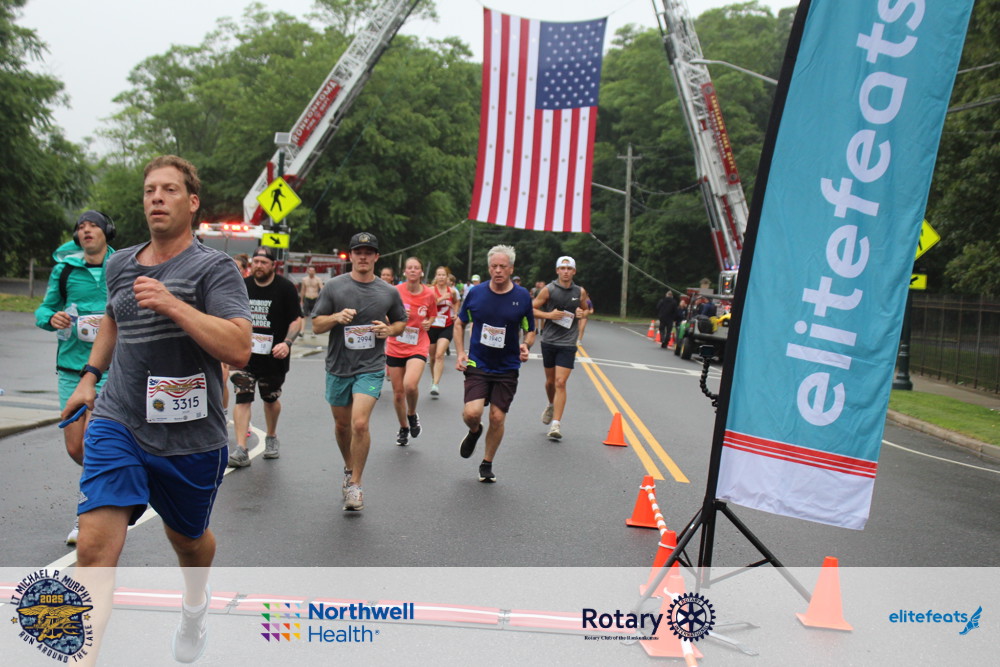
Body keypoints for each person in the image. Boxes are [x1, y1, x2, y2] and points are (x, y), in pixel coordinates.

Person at [61, 155, 251, 664]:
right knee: (93, 551)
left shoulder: (214, 268)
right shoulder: (121, 263)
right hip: (119, 420)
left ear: (192, 203)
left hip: (190, 437)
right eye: (150, 190)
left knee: (188, 542)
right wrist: (89, 378)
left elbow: (238, 347)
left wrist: (173, 304)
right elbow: (113, 318)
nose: (157, 198)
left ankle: (194, 606)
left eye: (169, 190)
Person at [35, 210, 116, 546]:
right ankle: (113, 480)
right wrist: (50, 318)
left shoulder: (121, 266)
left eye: (93, 225)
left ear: (107, 231)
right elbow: (43, 310)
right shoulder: (65, 269)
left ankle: (87, 518)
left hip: (111, 370)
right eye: (81, 227)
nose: (86, 231)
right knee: (75, 448)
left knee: (93, 443)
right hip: (71, 369)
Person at [312, 232, 406, 511]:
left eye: (368, 252)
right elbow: (316, 325)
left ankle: (356, 484)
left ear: (376, 257)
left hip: (371, 366)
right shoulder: (334, 287)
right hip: (339, 366)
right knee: (342, 425)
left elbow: (401, 322)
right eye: (358, 252)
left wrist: (389, 330)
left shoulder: (388, 291)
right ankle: (348, 466)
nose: (363, 257)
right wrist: (335, 317)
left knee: (360, 423)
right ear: (351, 255)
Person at [453, 245, 535, 482]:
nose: (498, 270)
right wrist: (460, 352)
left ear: (511, 269)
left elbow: (530, 330)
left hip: (507, 366)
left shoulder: (522, 297)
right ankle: (474, 431)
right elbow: (460, 323)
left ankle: (487, 463)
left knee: (497, 418)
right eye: (494, 266)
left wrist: (525, 345)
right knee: (472, 413)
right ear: (489, 268)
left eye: (502, 266)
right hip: (478, 362)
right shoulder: (476, 293)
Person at [227, 246, 303, 467]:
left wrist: (287, 343)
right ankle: (241, 449)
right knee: (243, 397)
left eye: (263, 263)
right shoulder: (242, 286)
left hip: (274, 356)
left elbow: (297, 320)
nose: (258, 266)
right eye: (256, 262)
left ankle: (271, 436)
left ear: (273, 265)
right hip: (245, 355)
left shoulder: (285, 288)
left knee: (270, 399)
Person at [533, 256, 591, 440]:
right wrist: (548, 315)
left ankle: (556, 425)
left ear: (574, 271)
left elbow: (586, 309)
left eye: (569, 268)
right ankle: (551, 404)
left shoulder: (579, 291)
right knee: (550, 382)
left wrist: (582, 313)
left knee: (560, 382)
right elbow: (530, 309)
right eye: (562, 268)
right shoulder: (548, 290)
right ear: (557, 270)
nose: (566, 272)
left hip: (568, 342)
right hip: (549, 340)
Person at [385, 257, 436, 446]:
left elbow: (432, 315)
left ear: (421, 272)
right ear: (405, 272)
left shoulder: (429, 294)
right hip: (396, 344)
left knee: (410, 385)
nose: (413, 270)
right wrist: (396, 317)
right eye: (409, 268)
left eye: (416, 268)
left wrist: (428, 322)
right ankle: (403, 427)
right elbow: (383, 315)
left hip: (418, 344)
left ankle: (412, 414)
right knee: (398, 393)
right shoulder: (395, 291)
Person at [427, 266, 458, 396]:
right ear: (436, 277)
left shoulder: (452, 291)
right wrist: (442, 298)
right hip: (432, 326)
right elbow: (428, 306)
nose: (441, 277)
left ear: (447, 277)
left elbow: (456, 302)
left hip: (446, 326)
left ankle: (435, 384)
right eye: (438, 275)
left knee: (440, 354)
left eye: (443, 275)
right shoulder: (430, 290)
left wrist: (455, 313)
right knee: (432, 357)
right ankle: (433, 378)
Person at [299, 265, 324, 330]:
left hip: (315, 298)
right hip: (307, 298)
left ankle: (314, 330)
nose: (311, 272)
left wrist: (322, 299)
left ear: (315, 271)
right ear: (308, 271)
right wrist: (301, 300)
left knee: (314, 316)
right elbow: (303, 290)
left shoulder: (318, 279)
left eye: (313, 270)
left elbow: (322, 289)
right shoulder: (304, 279)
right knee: (304, 315)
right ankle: (302, 331)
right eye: (310, 270)